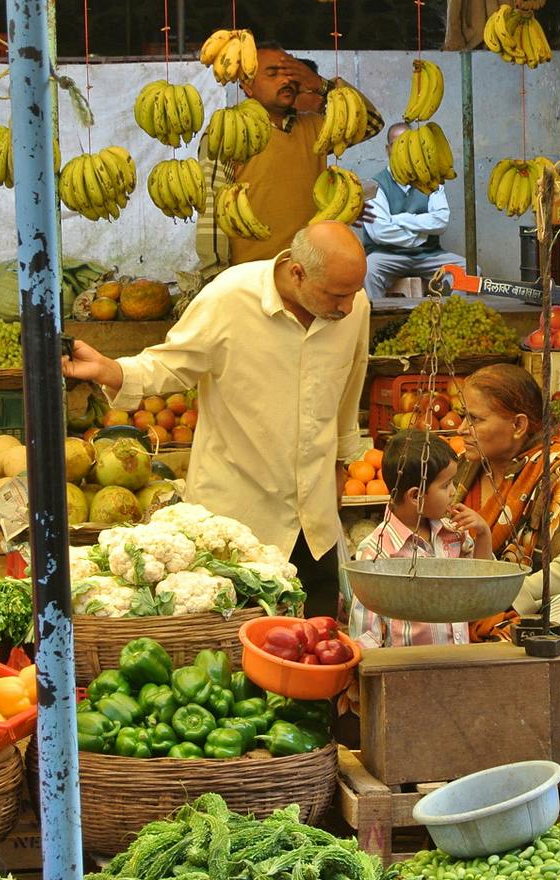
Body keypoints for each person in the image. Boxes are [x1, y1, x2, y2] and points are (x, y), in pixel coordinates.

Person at [62, 221, 370, 617]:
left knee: (318, 652)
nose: (346, 307)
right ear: (297, 272)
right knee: (240, 661)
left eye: (354, 294)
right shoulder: (229, 297)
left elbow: (350, 386)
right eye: (337, 295)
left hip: (314, 527)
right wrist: (108, 369)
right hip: (237, 527)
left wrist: (342, 463)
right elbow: (169, 365)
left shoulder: (352, 307)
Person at [452, 363, 560, 640]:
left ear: (518, 425)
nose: (462, 429)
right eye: (463, 417)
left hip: (529, 620)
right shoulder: (465, 469)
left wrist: (505, 596)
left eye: (475, 420)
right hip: (459, 610)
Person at [196, 43, 383, 279]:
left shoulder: (316, 127)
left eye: (290, 72)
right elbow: (211, 207)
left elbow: (372, 122)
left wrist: (321, 85)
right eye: (273, 73)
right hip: (251, 275)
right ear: (247, 86)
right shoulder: (228, 131)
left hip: (310, 271)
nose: (286, 80)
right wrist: (215, 276)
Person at [349, 430, 492, 648]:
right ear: (416, 496)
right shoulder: (376, 551)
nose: (454, 491)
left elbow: (481, 582)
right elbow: (366, 634)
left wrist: (483, 534)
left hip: (460, 660)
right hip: (409, 670)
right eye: (446, 485)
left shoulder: (453, 532)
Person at [360, 122, 466, 302]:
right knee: (369, 271)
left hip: (428, 256)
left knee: (469, 271)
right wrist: (423, 234)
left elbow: (441, 221)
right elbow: (380, 233)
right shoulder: (374, 185)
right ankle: (378, 325)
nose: (403, 150)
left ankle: (452, 321)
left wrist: (399, 219)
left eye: (408, 144)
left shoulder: (430, 181)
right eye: (397, 145)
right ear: (387, 150)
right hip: (386, 255)